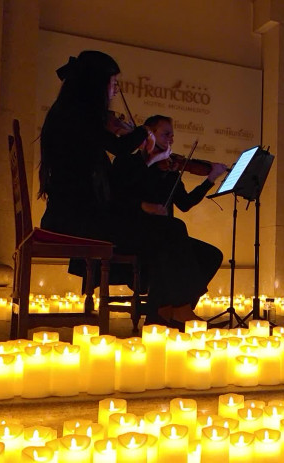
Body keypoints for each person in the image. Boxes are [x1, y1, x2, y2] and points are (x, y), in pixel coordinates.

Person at [38, 50, 201, 328]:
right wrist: (144, 133)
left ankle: (167, 307)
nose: (115, 90)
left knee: (169, 229)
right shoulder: (78, 116)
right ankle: (164, 310)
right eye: (113, 83)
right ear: (96, 83)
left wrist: (143, 150)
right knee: (170, 230)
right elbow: (121, 147)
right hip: (77, 220)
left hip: (77, 214)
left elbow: (108, 162)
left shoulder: (70, 114)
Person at [111, 114, 228, 326]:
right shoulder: (128, 161)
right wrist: (144, 205)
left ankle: (174, 310)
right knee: (175, 228)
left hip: (163, 234)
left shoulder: (170, 169)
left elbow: (185, 203)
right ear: (149, 134)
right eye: (165, 134)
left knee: (211, 255)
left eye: (172, 135)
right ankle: (174, 309)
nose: (170, 139)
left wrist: (210, 179)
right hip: (134, 231)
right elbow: (117, 198)